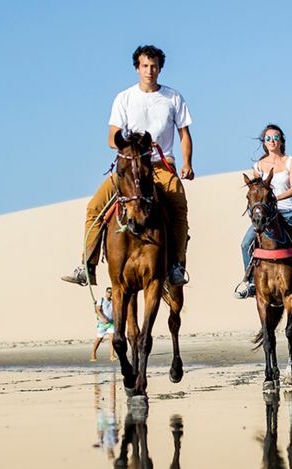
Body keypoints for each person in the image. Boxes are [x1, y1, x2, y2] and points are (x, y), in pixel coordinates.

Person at [62, 45, 193, 288]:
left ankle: (176, 264)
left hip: (161, 165)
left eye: (154, 66)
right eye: (145, 66)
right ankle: (87, 265)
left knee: (178, 207)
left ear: (160, 68)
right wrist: (130, 145)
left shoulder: (173, 97)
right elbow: (112, 136)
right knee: (95, 207)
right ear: (137, 68)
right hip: (130, 166)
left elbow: (184, 134)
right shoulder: (124, 98)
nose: (150, 70)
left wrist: (187, 163)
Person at [235, 124, 292, 299]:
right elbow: (257, 191)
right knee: (245, 244)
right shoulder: (258, 166)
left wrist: (275, 200)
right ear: (264, 142)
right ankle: (250, 283)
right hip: (266, 217)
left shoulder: (290, 162)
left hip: (288, 212)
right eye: (268, 138)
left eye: (275, 137)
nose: (272, 141)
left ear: (281, 141)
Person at [91, 287, 116, 362]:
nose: (110, 293)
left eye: (111, 292)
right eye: (108, 292)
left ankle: (112, 355)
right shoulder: (101, 300)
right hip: (102, 323)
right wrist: (104, 318)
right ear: (106, 292)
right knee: (99, 339)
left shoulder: (112, 301)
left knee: (112, 338)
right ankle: (93, 353)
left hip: (111, 323)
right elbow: (98, 310)